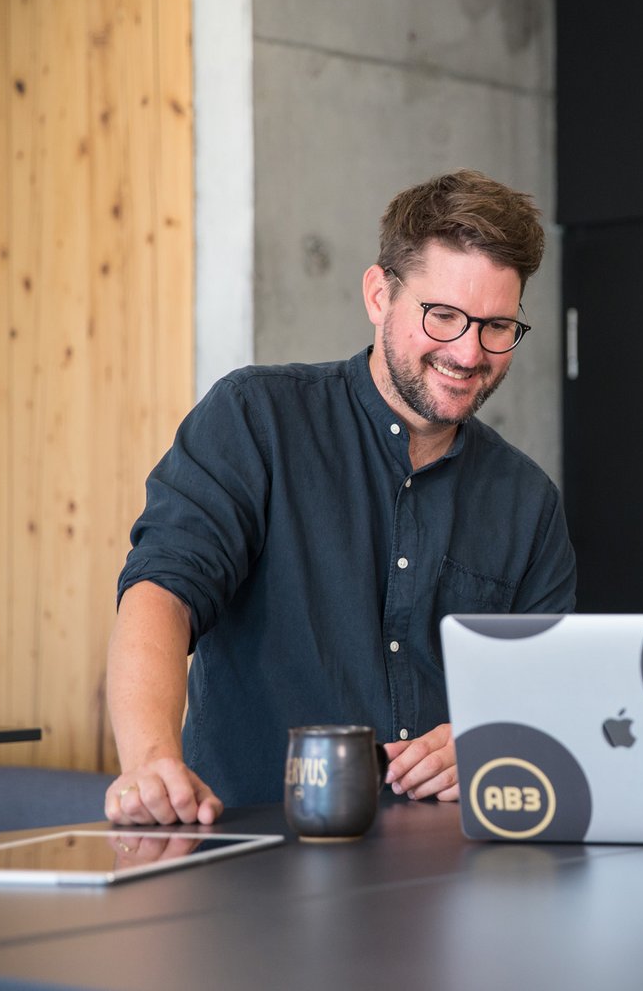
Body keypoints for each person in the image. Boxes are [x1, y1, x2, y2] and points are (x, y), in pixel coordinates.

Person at [104, 170, 577, 825]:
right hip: (249, 864)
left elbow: (547, 701)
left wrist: (498, 748)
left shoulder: (528, 502)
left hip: (448, 882)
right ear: (379, 295)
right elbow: (162, 592)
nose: (468, 352)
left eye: (497, 326)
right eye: (442, 316)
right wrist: (150, 760)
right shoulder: (256, 420)